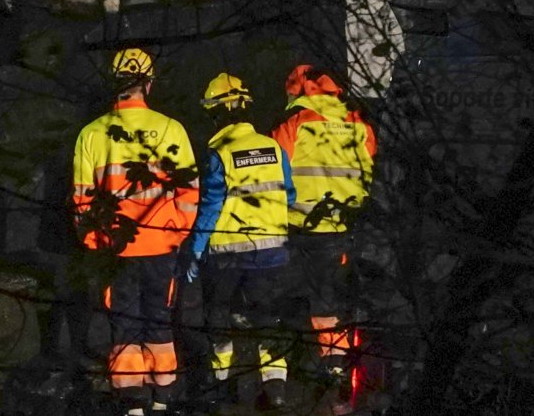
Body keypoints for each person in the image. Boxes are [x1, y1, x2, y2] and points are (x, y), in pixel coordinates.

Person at [71, 48, 199, 415]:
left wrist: (96, 244)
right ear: (149, 84)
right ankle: (163, 401)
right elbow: (189, 193)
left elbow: (82, 199)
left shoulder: (92, 134)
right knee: (160, 323)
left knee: (125, 328)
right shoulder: (172, 129)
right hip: (162, 247)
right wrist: (175, 233)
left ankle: (131, 407)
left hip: (117, 252)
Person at [184, 73, 297, 409]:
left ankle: (222, 389)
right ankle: (276, 391)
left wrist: (195, 250)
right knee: (269, 322)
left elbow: (211, 206)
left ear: (216, 112)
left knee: (219, 321)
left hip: (228, 258)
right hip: (273, 254)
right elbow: (288, 195)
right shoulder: (274, 147)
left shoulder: (220, 152)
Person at [271, 65, 376, 395]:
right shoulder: (358, 124)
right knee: (329, 302)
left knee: (284, 301)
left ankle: (277, 378)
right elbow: (368, 169)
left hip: (296, 227)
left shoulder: (296, 124)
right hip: (342, 228)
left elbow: (274, 171)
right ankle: (334, 369)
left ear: (299, 91)